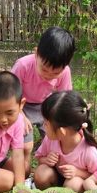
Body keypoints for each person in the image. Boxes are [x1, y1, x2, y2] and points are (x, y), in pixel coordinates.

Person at [11, 26, 75, 167]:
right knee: (25, 144)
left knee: (54, 139)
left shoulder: (65, 72)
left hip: (45, 106)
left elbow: (63, 99)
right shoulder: (23, 65)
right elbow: (10, 93)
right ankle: (24, 169)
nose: (48, 75)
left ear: (65, 66)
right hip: (21, 104)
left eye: (54, 73)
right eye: (44, 69)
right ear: (36, 53)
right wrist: (20, 114)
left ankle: (46, 169)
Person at [33, 91, 97, 192]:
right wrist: (46, 160)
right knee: (41, 173)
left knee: (72, 185)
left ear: (62, 131)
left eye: (46, 124)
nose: (44, 126)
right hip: (56, 178)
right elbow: (39, 158)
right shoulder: (50, 139)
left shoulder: (89, 152)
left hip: (76, 181)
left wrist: (77, 172)